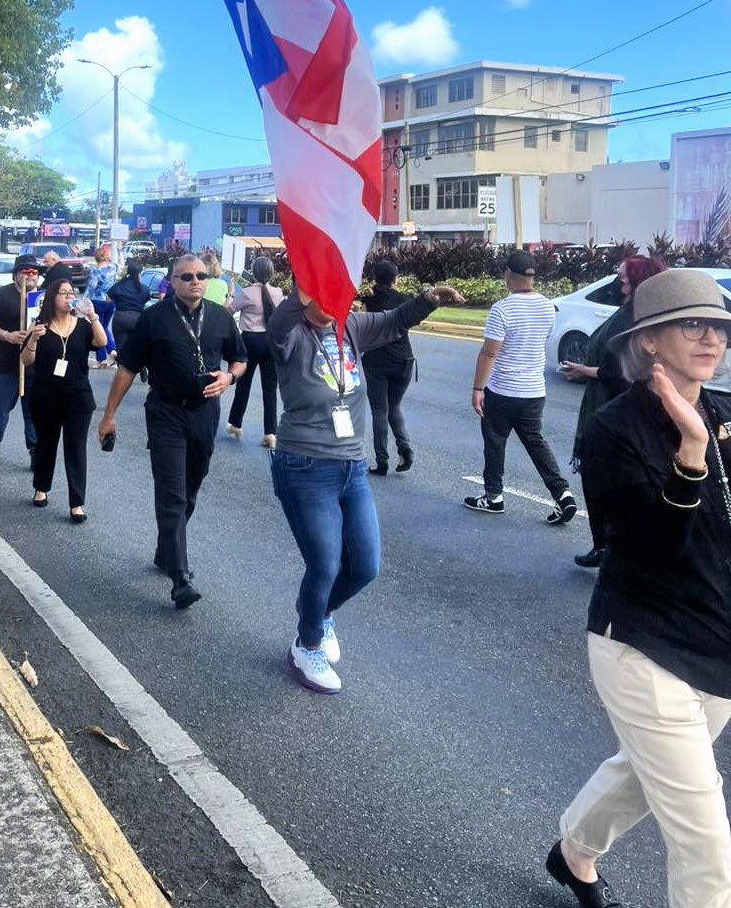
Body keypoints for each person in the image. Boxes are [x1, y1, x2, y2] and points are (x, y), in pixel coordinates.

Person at [547, 269, 731, 908]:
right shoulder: (616, 428)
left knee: (641, 773)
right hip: (641, 643)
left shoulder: (723, 411)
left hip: (716, 643)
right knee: (706, 842)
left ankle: (573, 852)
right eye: (693, 324)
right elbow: (648, 547)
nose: (712, 338)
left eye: (721, 326)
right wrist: (690, 454)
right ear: (650, 339)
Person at [268, 281, 464, 695]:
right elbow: (285, 316)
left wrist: (428, 299)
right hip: (305, 464)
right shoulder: (289, 333)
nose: (337, 300)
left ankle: (318, 611)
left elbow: (395, 322)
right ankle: (307, 646)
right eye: (327, 291)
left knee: (365, 566)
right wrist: (311, 276)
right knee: (325, 564)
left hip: (352, 465)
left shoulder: (351, 326)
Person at [97, 254, 247, 609]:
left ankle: (167, 550)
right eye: (186, 277)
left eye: (200, 276)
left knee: (190, 488)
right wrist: (108, 416)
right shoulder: (154, 318)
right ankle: (180, 577)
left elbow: (239, 359)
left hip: (204, 414)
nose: (195, 281)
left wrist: (229, 377)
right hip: (165, 412)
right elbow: (127, 369)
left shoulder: (221, 317)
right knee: (172, 493)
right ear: (173, 282)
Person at [560, 255, 667, 567]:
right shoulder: (632, 310)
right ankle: (609, 545)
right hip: (614, 405)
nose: (618, 280)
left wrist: (584, 370)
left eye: (624, 276)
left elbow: (620, 373)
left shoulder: (636, 316)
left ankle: (609, 546)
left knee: (604, 482)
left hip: (616, 408)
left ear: (639, 280)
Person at [464, 249, 576, 523]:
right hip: (534, 391)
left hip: (503, 390)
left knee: (495, 442)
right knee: (536, 442)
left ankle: (493, 497)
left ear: (508, 275)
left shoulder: (502, 309)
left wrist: (478, 388)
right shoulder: (548, 307)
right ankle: (563, 495)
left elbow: (490, 353)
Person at [22, 280, 106, 522]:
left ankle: (77, 503)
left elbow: (100, 343)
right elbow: (27, 361)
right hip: (46, 395)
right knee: (46, 443)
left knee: (75, 448)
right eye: (64, 293)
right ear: (52, 298)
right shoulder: (39, 325)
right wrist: (33, 339)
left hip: (78, 395)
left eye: (72, 293)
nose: (69, 297)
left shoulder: (81, 324)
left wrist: (93, 316)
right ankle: (41, 487)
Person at [0, 254, 44, 468]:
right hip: (4, 367)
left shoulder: (44, 299)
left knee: (34, 414)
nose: (30, 275)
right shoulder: (1, 295)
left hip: (35, 367)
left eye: (34, 272)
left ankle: (35, 452)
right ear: (16, 274)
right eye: (26, 271)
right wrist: (7, 335)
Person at [359, 260, 418, 475]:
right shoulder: (405, 301)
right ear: (395, 279)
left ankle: (381, 461)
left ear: (375, 278)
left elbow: (362, 328)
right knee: (394, 406)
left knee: (379, 411)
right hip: (404, 360)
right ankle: (405, 447)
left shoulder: (369, 302)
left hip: (377, 361)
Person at [225, 256, 283, 447]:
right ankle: (270, 433)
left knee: (244, 385)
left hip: (249, 341)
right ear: (272, 272)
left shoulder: (247, 293)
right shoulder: (278, 292)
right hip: (271, 342)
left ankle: (236, 423)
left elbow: (228, 311)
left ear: (253, 271)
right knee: (270, 389)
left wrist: (230, 293)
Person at [107, 258, 152, 354]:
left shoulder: (118, 286)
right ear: (139, 274)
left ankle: (122, 367)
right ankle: (139, 366)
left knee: (121, 348)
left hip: (120, 318)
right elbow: (146, 300)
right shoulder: (144, 289)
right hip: (137, 319)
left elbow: (107, 300)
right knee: (138, 346)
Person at [85, 244, 118, 367]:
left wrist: (83, 300)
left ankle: (104, 357)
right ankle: (112, 351)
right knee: (104, 327)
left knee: (98, 328)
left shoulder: (95, 271)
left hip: (97, 301)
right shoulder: (113, 268)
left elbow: (91, 287)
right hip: (110, 301)